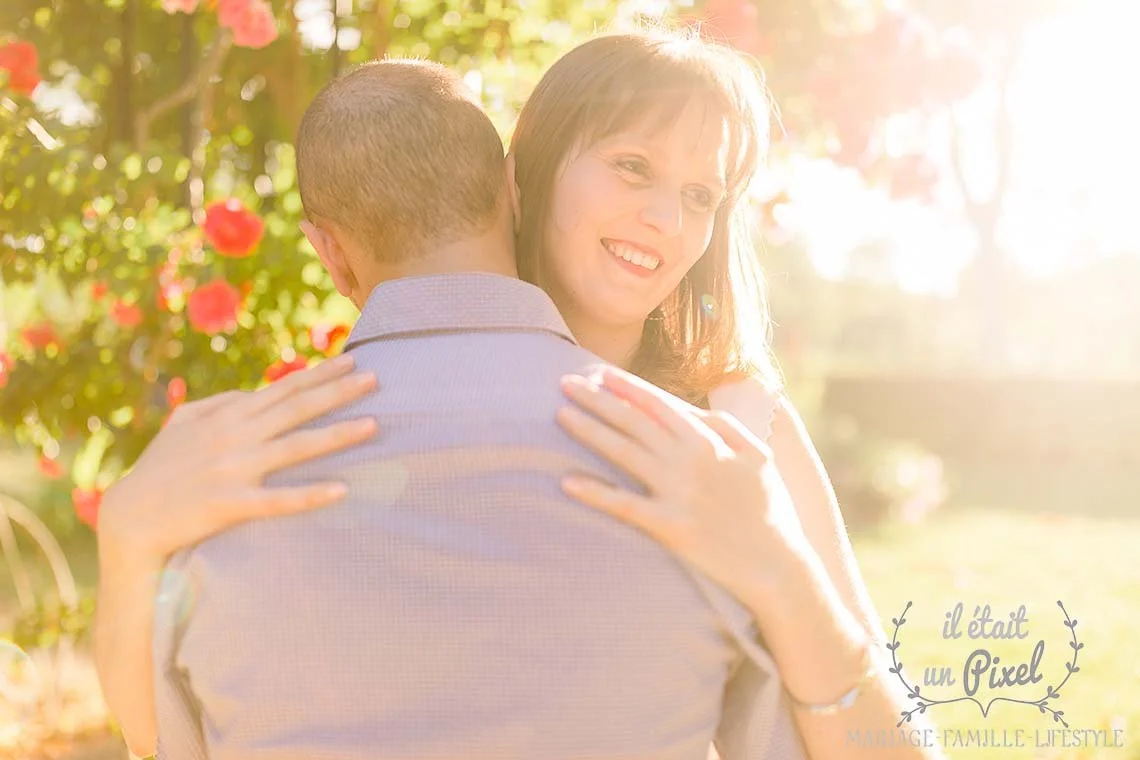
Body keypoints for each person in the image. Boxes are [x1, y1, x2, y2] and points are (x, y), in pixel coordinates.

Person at [93, 29, 938, 760]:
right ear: (518, 177)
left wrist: (781, 568)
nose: (666, 220)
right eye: (632, 166)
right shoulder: (363, 401)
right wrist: (130, 541)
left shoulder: (738, 434)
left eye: (700, 196)